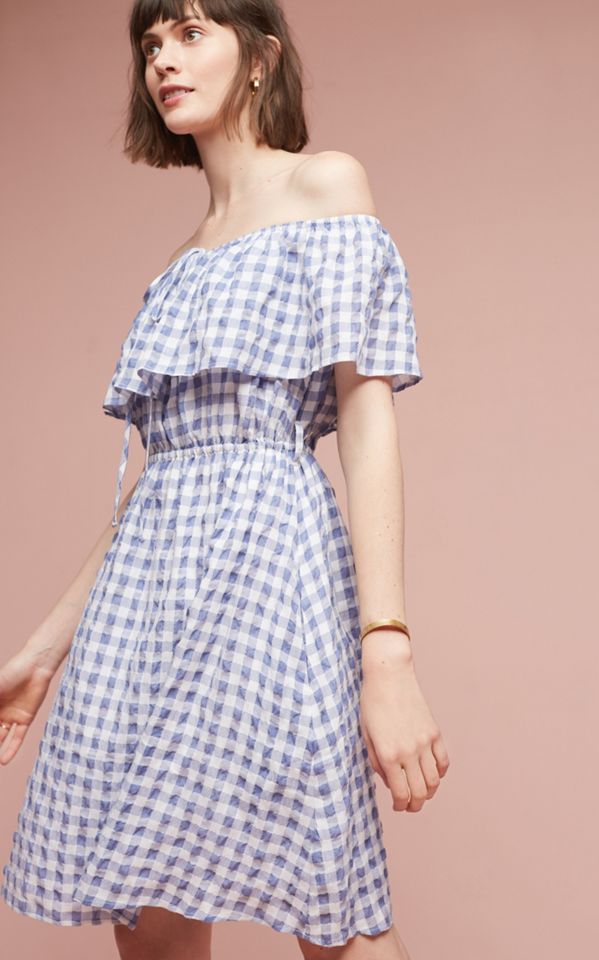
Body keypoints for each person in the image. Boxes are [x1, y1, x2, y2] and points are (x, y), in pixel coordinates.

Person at [0, 1, 450, 957]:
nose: (164, 58)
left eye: (192, 32)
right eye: (151, 43)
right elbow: (159, 480)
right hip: (146, 599)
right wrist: (44, 651)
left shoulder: (326, 186)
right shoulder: (179, 264)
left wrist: (388, 653)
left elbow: (366, 421)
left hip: (270, 571)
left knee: (335, 909)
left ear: (261, 57)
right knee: (149, 921)